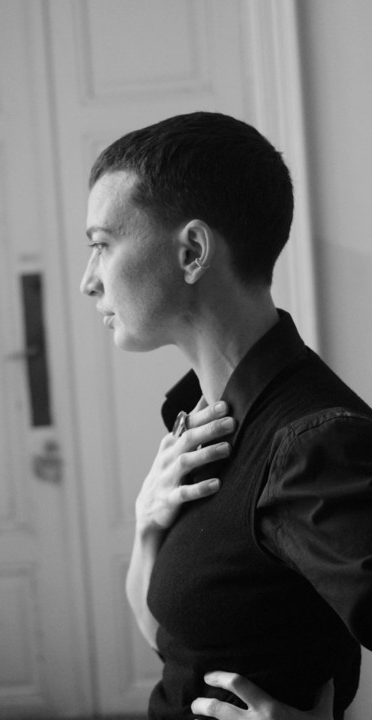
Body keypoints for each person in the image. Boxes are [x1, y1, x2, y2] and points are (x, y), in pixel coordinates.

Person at [80, 112, 372, 720]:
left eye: (102, 245)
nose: (89, 281)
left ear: (192, 252)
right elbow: (175, 643)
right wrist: (147, 526)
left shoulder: (312, 445)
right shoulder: (199, 421)